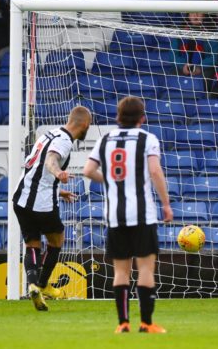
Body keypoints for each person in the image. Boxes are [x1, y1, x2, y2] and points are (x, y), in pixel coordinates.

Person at [83, 96, 173, 334]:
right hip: (142, 214)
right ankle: (146, 323)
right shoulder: (147, 139)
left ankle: (123, 324)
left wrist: (113, 183)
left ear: (117, 117)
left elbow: (88, 170)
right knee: (145, 269)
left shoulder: (105, 139)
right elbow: (155, 170)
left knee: (121, 272)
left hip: (114, 215)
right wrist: (166, 203)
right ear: (142, 118)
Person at [12, 106, 92, 311]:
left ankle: (32, 285)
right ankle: (42, 284)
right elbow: (51, 160)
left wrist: (59, 191)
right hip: (41, 203)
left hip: (20, 198)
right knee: (56, 241)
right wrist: (58, 173)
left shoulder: (50, 133)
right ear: (83, 124)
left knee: (32, 243)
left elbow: (37, 167)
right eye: (88, 126)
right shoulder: (64, 141)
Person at [170, 12, 218, 97]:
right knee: (172, 72)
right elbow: (172, 54)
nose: (195, 15)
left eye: (199, 13)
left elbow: (215, 58)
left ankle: (204, 100)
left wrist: (199, 67)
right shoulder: (179, 32)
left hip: (204, 69)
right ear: (188, 16)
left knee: (208, 74)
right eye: (192, 13)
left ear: (204, 15)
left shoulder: (212, 33)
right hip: (183, 67)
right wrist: (182, 66)